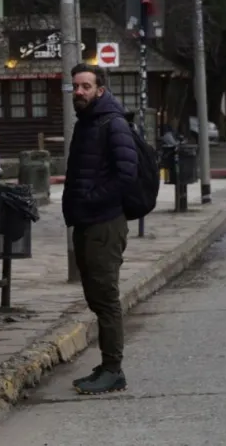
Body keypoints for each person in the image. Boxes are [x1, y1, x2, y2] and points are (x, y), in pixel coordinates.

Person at [62, 64, 139, 395]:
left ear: (100, 90)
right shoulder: (87, 123)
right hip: (86, 221)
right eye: (76, 86)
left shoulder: (113, 123)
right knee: (95, 295)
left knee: (106, 297)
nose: (79, 92)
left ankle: (113, 370)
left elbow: (126, 175)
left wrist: (91, 200)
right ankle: (107, 364)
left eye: (86, 87)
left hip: (105, 223)